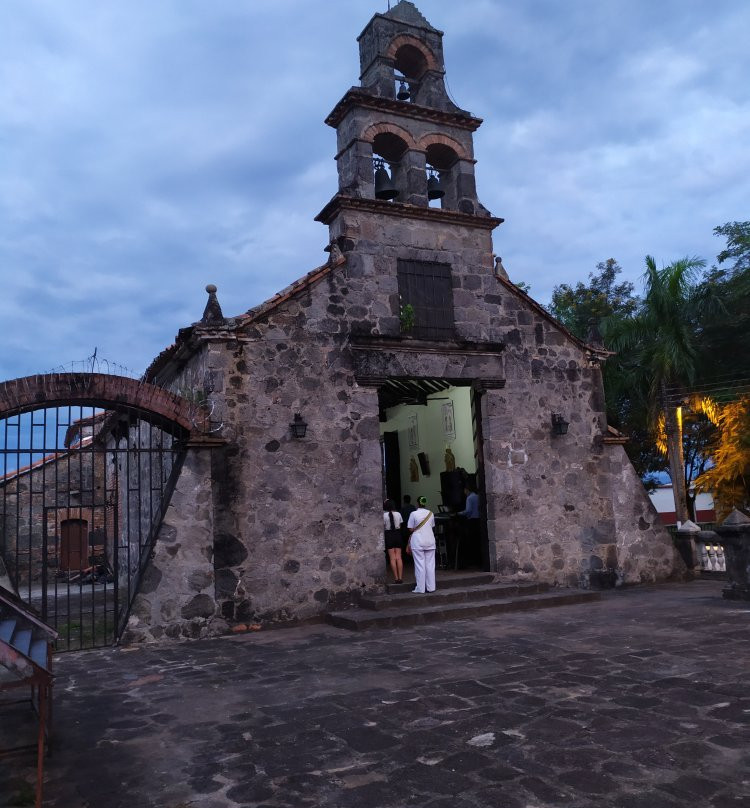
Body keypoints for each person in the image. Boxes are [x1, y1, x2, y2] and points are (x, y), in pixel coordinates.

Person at [406, 496, 436, 594]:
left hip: (418, 541)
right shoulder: (431, 513)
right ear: (425, 503)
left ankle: (420, 588)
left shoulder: (413, 514)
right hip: (430, 540)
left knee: (420, 565)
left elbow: (410, 528)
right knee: (430, 565)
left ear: (417, 503)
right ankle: (431, 587)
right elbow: (432, 526)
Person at [458, 485, 481, 567]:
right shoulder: (478, 496)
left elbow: (468, 511)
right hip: (479, 520)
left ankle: (472, 560)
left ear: (466, 490)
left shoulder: (469, 498)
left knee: (471, 540)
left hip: (472, 521)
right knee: (478, 541)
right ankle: (479, 560)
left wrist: (459, 513)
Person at [383, 499, 404, 583]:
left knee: (392, 558)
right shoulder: (398, 514)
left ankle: (396, 578)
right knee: (399, 557)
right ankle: (400, 578)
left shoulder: (384, 515)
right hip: (397, 534)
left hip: (389, 535)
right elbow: (400, 525)